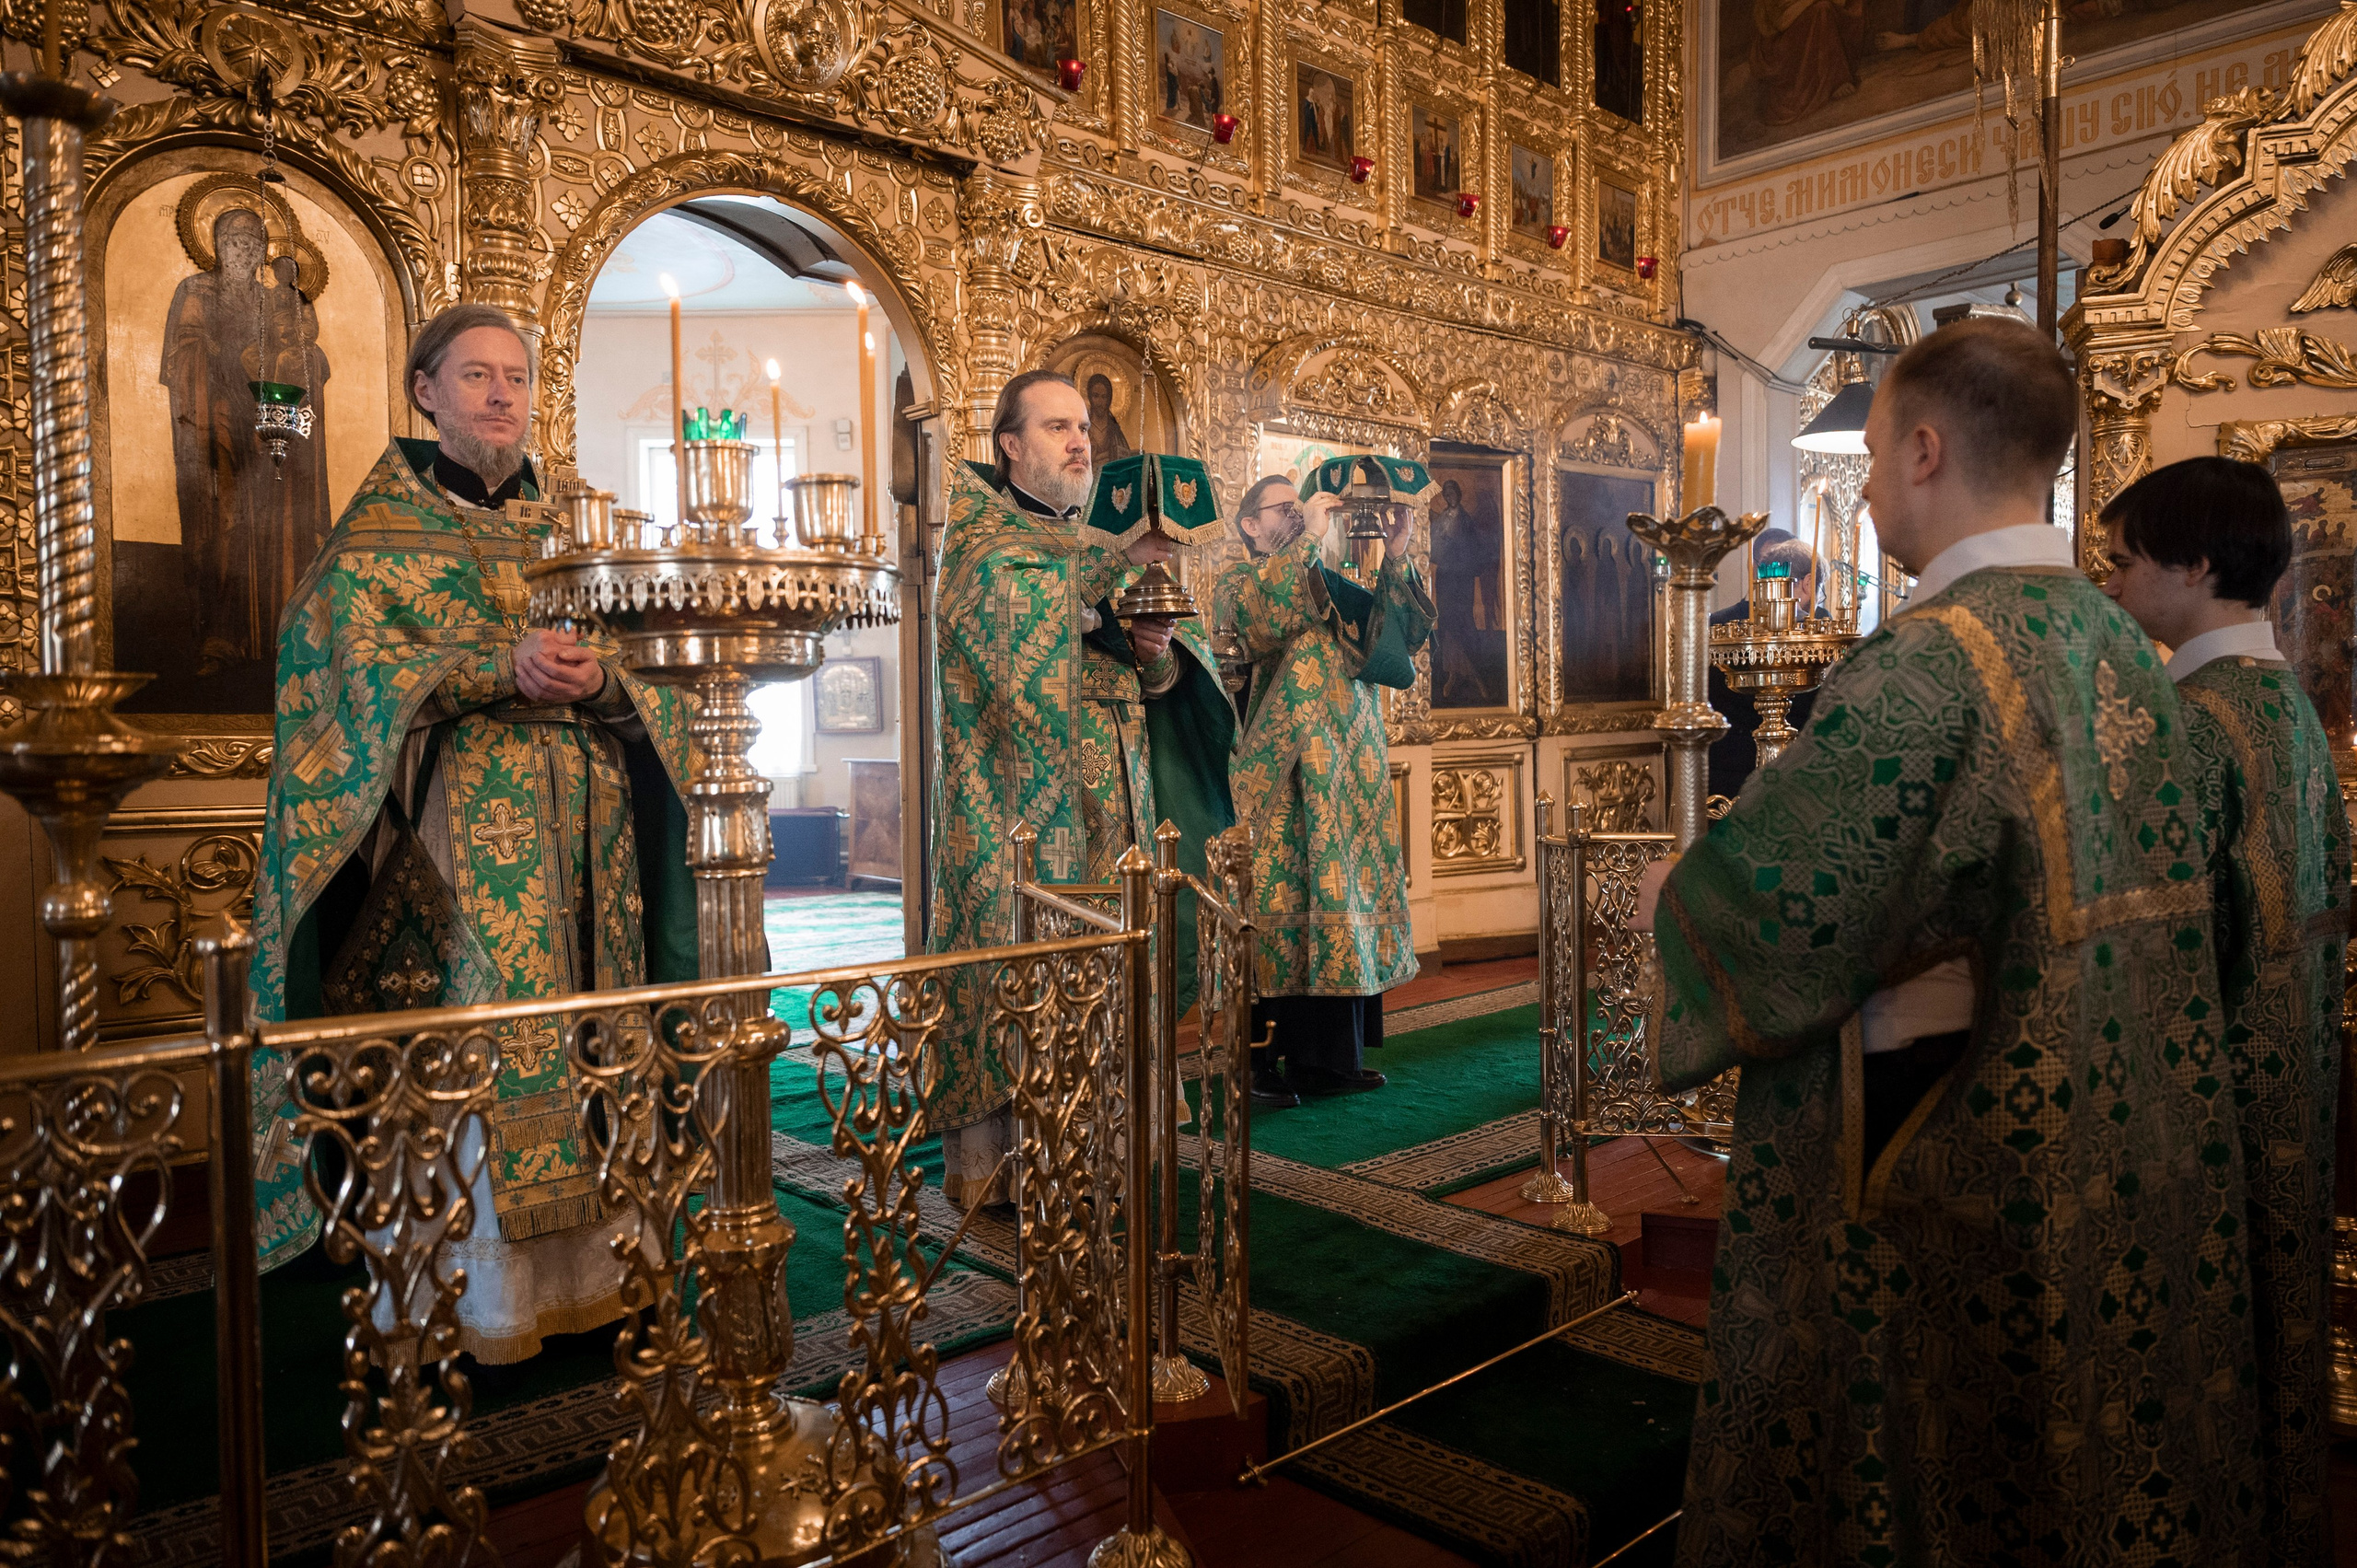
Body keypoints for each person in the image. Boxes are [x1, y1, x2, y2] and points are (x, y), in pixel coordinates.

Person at [1633, 319, 2263, 1562]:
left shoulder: (1928, 665)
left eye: (1870, 454)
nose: (1863, 484)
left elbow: (1785, 908)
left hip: (1953, 1154)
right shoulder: (2125, 651)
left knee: (1926, 1463)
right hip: (2112, 1131)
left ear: (1925, 449)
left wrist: (1678, 886)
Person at [246, 302, 701, 1365]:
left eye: (517, 378)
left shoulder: (580, 532)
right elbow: (339, 680)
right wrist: (494, 670)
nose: (502, 395)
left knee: (598, 1037)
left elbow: (664, 674)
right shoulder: (376, 533)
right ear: (426, 391)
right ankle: (480, 1300)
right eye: (478, 375)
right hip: (457, 844)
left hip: (596, 844)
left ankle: (599, 1277)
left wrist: (611, 681)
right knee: (484, 1050)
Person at [2100, 456, 2349, 1568]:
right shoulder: (2288, 705)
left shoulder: (2187, 724)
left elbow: (2144, 948)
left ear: (2194, 566)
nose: (2110, 582)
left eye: (2125, 559)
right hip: (2293, 1075)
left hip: (2211, 1107)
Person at [928, 369, 1234, 1207]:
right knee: (1030, 972)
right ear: (1011, 444)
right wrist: (1110, 572)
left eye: (1084, 431)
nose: (1077, 442)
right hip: (1017, 809)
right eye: (1056, 427)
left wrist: (1154, 645)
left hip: (1118, 803)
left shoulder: (1098, 542)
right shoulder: (984, 541)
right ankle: (1015, 1171)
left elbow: (1166, 673)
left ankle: (1108, 1150)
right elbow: (1007, 629)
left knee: (1112, 970)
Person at [1214, 475, 1430, 1107]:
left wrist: (1396, 555)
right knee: (1276, 906)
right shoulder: (1238, 580)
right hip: (1278, 774)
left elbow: (1399, 648)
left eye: (1298, 508)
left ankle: (1328, 1058)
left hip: (1347, 775)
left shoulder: (1330, 577)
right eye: (1282, 509)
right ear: (1250, 524)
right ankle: (1257, 1063)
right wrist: (1307, 535)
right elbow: (1261, 622)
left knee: (1341, 911)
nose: (1297, 515)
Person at [1703, 528, 1817, 801]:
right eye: (1768, 564)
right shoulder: (1721, 625)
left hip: (1799, 762)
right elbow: (1712, 699)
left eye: (1783, 565)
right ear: (1754, 568)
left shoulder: (1818, 626)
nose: (1775, 575)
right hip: (1733, 764)